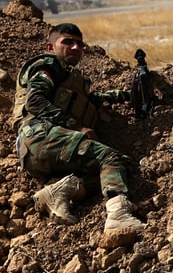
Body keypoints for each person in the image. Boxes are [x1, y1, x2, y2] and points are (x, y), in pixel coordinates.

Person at [12, 23, 145, 231]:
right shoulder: (48, 66)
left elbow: (89, 100)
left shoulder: (69, 78)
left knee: (120, 167)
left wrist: (129, 95)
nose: (75, 47)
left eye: (79, 44)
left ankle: (59, 192)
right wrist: (77, 127)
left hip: (41, 150)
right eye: (67, 42)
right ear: (50, 47)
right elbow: (35, 101)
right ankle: (118, 216)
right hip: (39, 135)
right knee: (109, 157)